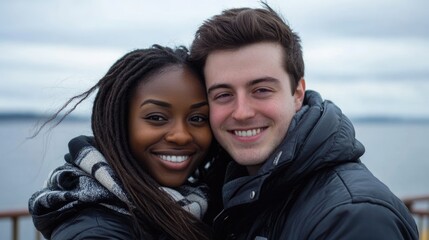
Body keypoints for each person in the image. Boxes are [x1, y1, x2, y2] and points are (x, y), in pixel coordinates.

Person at [189, 3, 419, 240]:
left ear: (297, 93)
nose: (242, 112)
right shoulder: (229, 193)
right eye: (223, 95)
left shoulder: (355, 217)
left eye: (261, 90)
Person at [28, 45, 217, 240]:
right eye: (157, 117)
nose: (181, 136)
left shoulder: (196, 202)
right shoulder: (94, 231)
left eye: (197, 118)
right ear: (118, 122)